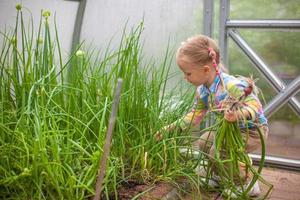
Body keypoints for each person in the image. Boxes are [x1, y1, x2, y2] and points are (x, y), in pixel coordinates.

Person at [155, 35, 269, 197]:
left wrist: (238, 114)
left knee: (220, 149)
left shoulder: (230, 85)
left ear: (206, 70)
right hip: (228, 129)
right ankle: (219, 176)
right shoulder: (203, 90)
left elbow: (255, 106)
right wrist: (171, 128)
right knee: (204, 142)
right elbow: (195, 115)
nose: (185, 78)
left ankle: (245, 183)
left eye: (188, 74)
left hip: (252, 131)